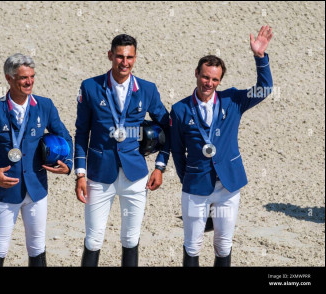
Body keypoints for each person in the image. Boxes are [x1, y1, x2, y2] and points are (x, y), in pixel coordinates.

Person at [170, 25, 273, 267]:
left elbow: (265, 88)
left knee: (223, 244)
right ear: (196, 73)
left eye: (215, 79)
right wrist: (189, 177)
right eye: (205, 77)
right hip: (196, 185)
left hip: (228, 185)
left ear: (220, 81)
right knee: (192, 246)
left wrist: (260, 57)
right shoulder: (180, 109)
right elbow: (177, 150)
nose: (209, 83)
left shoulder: (233, 99)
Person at [0, 53, 73, 267]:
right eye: (23, 78)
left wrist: (67, 163)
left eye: (32, 76)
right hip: (6, 192)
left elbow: (66, 137)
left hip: (37, 191)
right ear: (9, 78)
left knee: (37, 250)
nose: (29, 82)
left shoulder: (45, 106)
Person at [74, 34, 170, 267]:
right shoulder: (90, 86)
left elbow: (169, 127)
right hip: (98, 173)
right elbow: (81, 132)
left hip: (135, 173)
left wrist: (160, 166)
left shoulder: (147, 89)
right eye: (119, 56)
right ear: (110, 56)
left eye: (129, 57)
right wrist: (80, 173)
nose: (124, 62)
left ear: (135, 58)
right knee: (94, 239)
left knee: (130, 238)